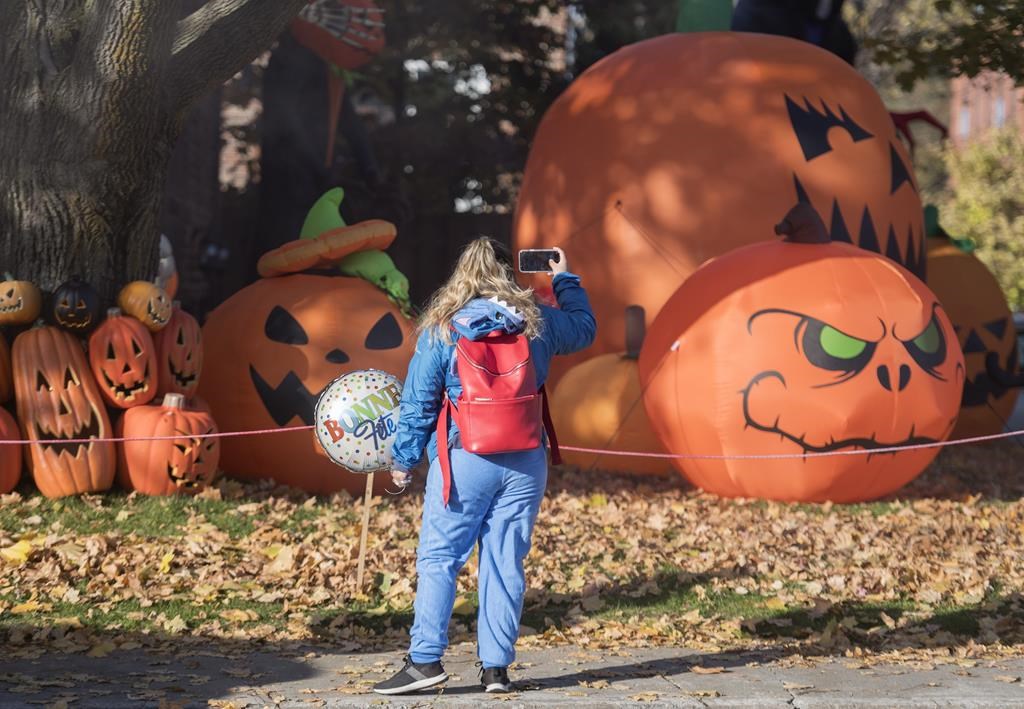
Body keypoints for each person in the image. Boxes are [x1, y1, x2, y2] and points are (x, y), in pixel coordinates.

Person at [373, 238, 596, 695]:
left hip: (464, 460)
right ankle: (496, 669)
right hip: (525, 463)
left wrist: (403, 459)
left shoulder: (442, 328)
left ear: (462, 274)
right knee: (504, 561)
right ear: (508, 273)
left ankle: (425, 662)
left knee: (439, 559)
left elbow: (418, 401)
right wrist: (563, 278)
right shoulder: (537, 322)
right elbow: (585, 328)